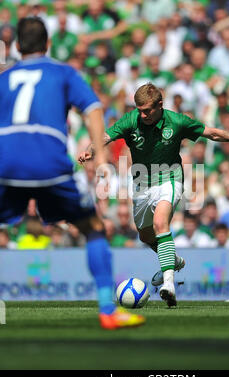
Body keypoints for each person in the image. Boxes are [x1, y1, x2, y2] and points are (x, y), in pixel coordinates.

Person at [0, 17, 144, 330]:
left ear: (16, 46)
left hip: (6, 162)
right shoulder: (64, 73)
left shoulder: (4, 77)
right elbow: (92, 109)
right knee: (93, 226)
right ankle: (108, 310)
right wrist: (102, 159)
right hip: (48, 162)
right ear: (48, 44)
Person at [79, 83, 229, 307]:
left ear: (160, 105)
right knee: (145, 236)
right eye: (139, 109)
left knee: (161, 223)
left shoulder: (177, 121)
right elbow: (106, 136)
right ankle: (173, 261)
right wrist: (90, 150)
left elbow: (213, 134)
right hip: (141, 184)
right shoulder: (131, 120)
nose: (142, 114)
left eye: (147, 110)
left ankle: (168, 284)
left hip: (170, 179)